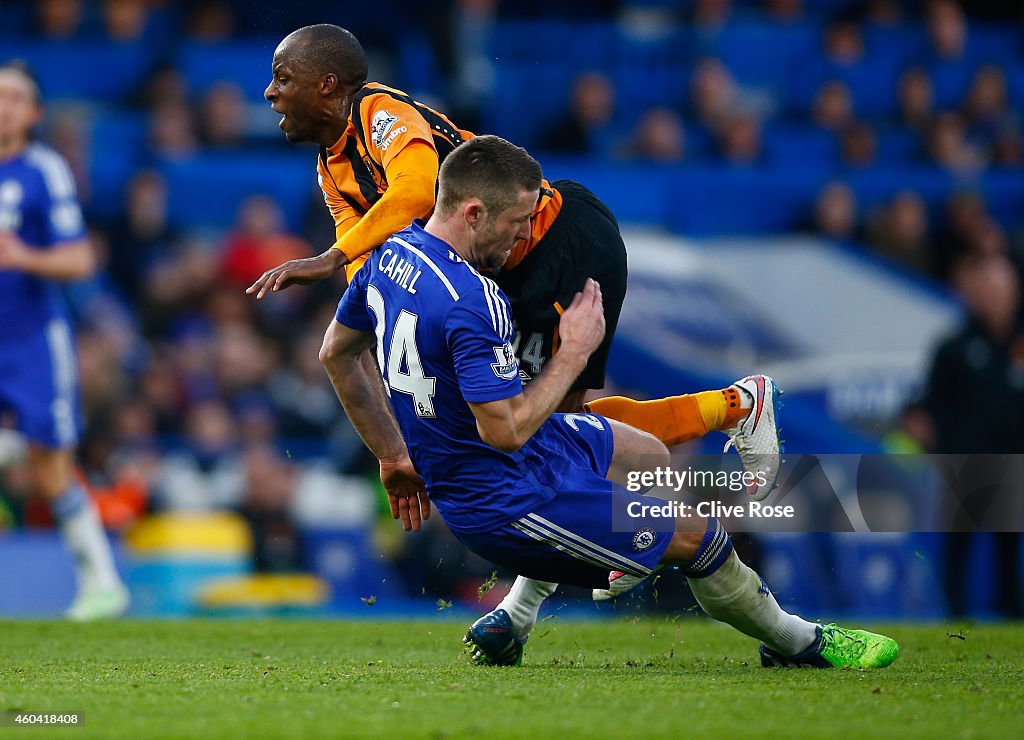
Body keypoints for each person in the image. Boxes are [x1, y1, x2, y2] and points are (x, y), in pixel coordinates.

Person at [246, 24, 782, 645]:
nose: (269, 92)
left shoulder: (379, 113)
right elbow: (382, 271)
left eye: (282, 78)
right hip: (492, 271)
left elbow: (417, 190)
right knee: (533, 430)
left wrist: (329, 260)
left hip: (554, 240)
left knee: (553, 418)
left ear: (326, 85)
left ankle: (739, 406)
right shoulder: (330, 169)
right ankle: (528, 605)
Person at [327, 134, 899, 669]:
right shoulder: (474, 300)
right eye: (516, 222)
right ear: (473, 213)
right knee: (699, 537)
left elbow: (337, 354)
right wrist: (573, 353)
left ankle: (518, 614)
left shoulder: (387, 254)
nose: (522, 235)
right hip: (502, 497)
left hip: (500, 459)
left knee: (645, 455)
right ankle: (797, 642)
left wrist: (393, 453)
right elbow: (506, 430)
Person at [0, 60, 129, 619]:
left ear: (34, 113)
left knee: (50, 463)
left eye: (14, 97)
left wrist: (21, 255)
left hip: (30, 337)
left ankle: (102, 584)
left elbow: (80, 258)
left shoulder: (42, 170)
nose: (3, 104)